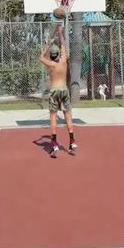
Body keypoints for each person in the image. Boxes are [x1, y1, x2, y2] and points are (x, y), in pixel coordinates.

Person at [39, 24, 77, 157]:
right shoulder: (64, 62)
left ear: (51, 55)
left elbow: (41, 57)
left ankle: (54, 145)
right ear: (59, 54)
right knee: (68, 116)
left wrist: (48, 44)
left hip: (54, 91)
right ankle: (72, 143)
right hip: (64, 90)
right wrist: (60, 33)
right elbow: (63, 45)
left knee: (53, 117)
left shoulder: (51, 64)